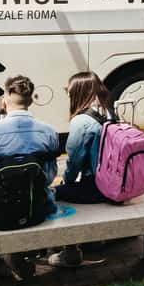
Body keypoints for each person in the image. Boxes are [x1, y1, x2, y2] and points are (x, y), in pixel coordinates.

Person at [0, 75, 59, 281]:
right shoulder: (49, 131)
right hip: (37, 204)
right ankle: (5, 259)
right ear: (31, 100)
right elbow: (50, 176)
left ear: (4, 101)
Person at [49, 72, 115, 268]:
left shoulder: (82, 121)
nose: (68, 97)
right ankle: (93, 240)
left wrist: (65, 183)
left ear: (78, 93)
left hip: (96, 188)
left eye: (69, 93)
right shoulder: (108, 112)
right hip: (113, 183)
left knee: (55, 194)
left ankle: (70, 252)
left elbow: (74, 162)